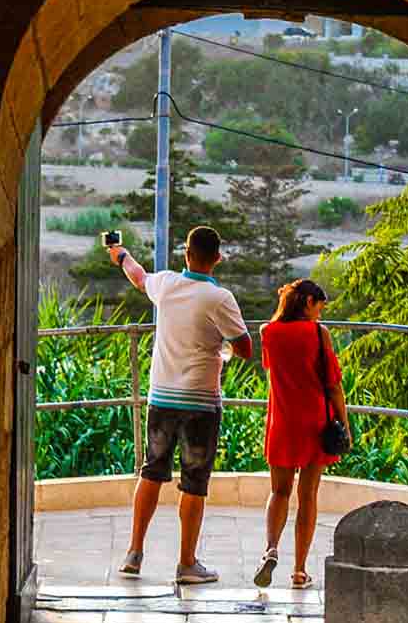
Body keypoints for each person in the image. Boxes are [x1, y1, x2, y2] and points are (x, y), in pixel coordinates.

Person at [106, 225, 251, 585]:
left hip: (161, 397)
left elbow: (138, 277)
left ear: (186, 254)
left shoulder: (166, 284)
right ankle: (187, 563)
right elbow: (245, 347)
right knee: (194, 482)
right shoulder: (220, 299)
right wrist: (224, 348)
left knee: (151, 471)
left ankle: (134, 553)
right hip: (201, 402)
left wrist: (120, 254)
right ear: (217, 258)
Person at [253, 278, 350, 589]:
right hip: (315, 422)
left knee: (279, 491)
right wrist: (344, 424)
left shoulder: (268, 333)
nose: (319, 315)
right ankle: (298, 571)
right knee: (307, 495)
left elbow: (273, 369)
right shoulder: (318, 334)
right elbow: (334, 385)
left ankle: (270, 549)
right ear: (309, 302)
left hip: (282, 421)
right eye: (319, 308)